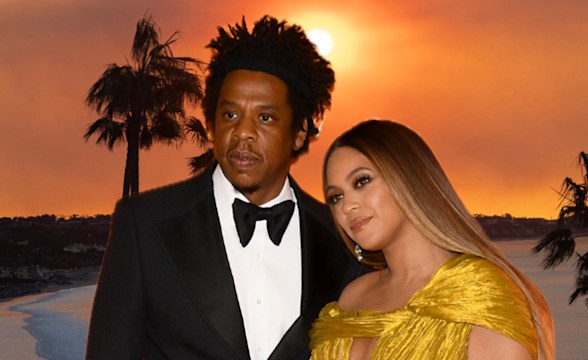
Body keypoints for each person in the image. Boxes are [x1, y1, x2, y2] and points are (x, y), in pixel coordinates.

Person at [86, 15, 362, 360]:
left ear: (299, 133)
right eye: (230, 115)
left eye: (265, 117)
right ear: (212, 124)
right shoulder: (144, 224)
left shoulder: (342, 242)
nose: (243, 132)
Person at [309, 119, 555, 359]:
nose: (347, 206)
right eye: (336, 197)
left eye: (362, 181)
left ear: (407, 178)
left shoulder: (478, 291)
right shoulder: (352, 297)